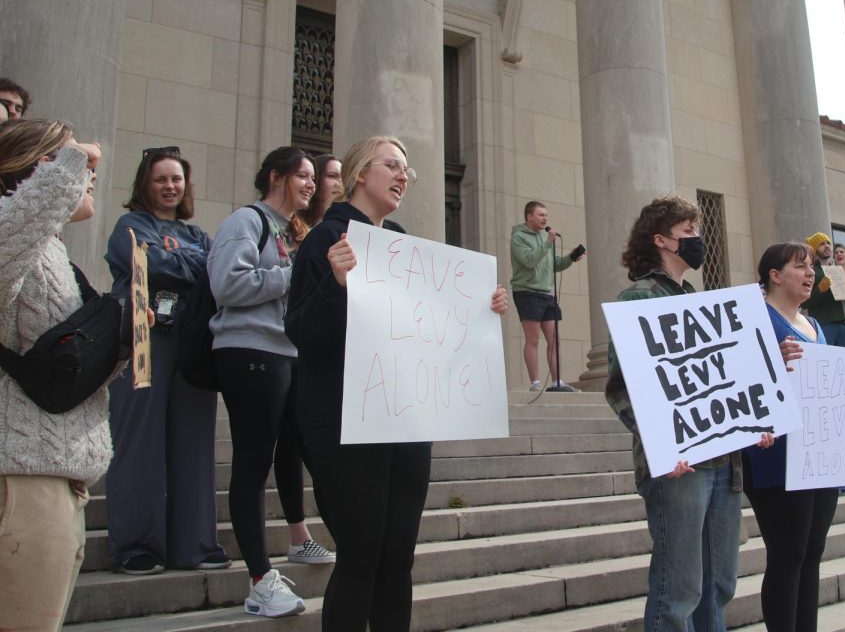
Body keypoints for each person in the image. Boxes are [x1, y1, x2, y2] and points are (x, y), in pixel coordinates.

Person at [286, 135, 508, 632]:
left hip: (406, 421)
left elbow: (430, 328)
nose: (404, 175)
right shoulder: (327, 238)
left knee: (397, 560)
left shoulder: (405, 244)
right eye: (393, 165)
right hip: (346, 424)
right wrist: (336, 285)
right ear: (362, 173)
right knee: (360, 556)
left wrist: (481, 309)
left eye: (407, 168)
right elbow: (300, 330)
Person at [605, 195, 782, 632]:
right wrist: (665, 441)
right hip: (679, 466)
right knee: (679, 586)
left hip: (724, 462)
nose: (697, 239)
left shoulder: (698, 300)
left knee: (718, 584)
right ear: (662, 239)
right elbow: (622, 387)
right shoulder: (637, 298)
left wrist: (755, 419)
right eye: (688, 232)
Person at [208, 147, 333, 618]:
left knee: (293, 450)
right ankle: (260, 580)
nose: (311, 184)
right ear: (275, 177)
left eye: (313, 178)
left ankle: (295, 544)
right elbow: (228, 285)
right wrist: (293, 274)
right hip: (249, 352)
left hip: (285, 353)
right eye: (302, 175)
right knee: (253, 462)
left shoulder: (293, 231)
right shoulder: (246, 222)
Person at [0, 120, 109, 630]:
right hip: (21, 481)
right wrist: (68, 165)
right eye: (74, 163)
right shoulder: (14, 239)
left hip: (58, 479)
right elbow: (12, 230)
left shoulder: (56, 256)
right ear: (37, 172)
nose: (90, 174)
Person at [104, 146, 229, 574]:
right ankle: (136, 546)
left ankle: (194, 544)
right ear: (145, 184)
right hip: (143, 343)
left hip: (190, 344)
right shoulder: (129, 226)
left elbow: (213, 271)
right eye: (161, 179)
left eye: (176, 179)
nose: (170, 186)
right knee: (139, 444)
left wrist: (174, 259)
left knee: (194, 444)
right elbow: (144, 262)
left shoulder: (197, 236)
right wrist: (186, 263)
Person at [741, 242, 835, 632]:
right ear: (774, 275)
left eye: (811, 266)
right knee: (787, 553)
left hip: (817, 453)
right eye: (800, 266)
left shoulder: (815, 325)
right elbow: (735, 378)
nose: (810, 273)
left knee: (811, 553)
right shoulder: (752, 318)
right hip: (774, 456)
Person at [510, 200, 584, 391]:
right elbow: (529, 260)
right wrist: (548, 242)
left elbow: (555, 264)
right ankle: (535, 383)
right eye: (541, 215)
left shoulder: (545, 239)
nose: (545, 219)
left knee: (554, 339)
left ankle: (557, 382)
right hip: (527, 292)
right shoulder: (518, 237)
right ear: (529, 217)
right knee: (532, 339)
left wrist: (571, 258)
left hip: (547, 293)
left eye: (546, 215)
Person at [800, 232, 845, 348]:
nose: (827, 246)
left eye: (828, 243)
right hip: (823, 324)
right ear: (815, 249)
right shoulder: (811, 271)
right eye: (822, 244)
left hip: (843, 325)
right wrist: (820, 289)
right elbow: (804, 303)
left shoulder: (836, 270)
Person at [298, 153, 342, 230]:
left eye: (343, 177)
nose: (340, 184)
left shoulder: (348, 224)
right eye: (332, 176)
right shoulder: (294, 224)